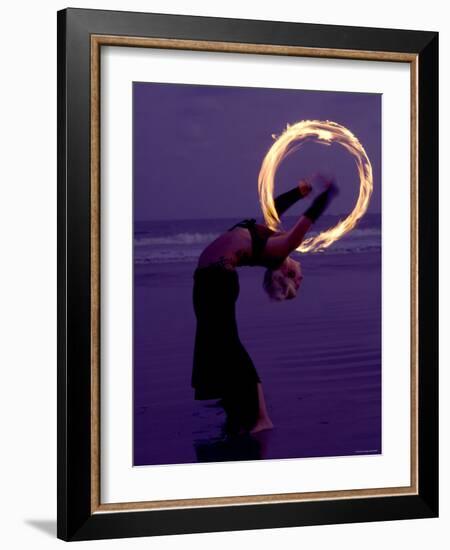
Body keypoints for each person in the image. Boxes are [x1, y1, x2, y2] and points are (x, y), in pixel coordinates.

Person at [191, 174, 339, 437]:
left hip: (218, 281)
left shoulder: (282, 248)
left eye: (300, 277)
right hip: (204, 280)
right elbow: (275, 208)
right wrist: (299, 191)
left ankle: (261, 418)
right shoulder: (268, 235)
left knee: (228, 345)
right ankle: (233, 407)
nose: (301, 272)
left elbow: (307, 220)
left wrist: (327, 194)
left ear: (287, 273)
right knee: (211, 344)